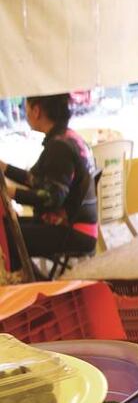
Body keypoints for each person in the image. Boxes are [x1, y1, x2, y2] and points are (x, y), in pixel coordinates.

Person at [1, 93, 97, 272]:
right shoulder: (68, 137)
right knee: (6, 226)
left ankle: (33, 286)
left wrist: (10, 192)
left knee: (6, 238)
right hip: (75, 226)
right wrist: (4, 168)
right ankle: (32, 283)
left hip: (75, 232)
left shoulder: (59, 147)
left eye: (26, 107)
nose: (26, 112)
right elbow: (38, 181)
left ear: (36, 111)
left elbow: (52, 197)